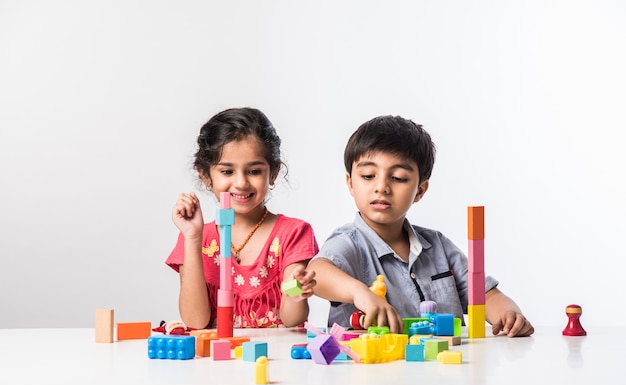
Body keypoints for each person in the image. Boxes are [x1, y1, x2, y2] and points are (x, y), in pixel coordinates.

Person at [309, 115, 534, 337]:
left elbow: (484, 295)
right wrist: (359, 293)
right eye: (368, 175)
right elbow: (316, 273)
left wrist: (509, 314)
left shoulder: (438, 246)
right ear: (350, 183)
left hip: (445, 367)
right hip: (377, 367)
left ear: (420, 190)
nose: (382, 187)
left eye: (398, 178)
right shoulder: (349, 242)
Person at [166, 107, 318, 330]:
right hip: (217, 361)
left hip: (273, 359)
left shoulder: (293, 233)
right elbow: (195, 321)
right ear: (205, 175)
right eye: (227, 172)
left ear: (273, 173)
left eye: (254, 171)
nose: (241, 183)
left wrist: (296, 293)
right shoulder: (197, 237)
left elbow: (291, 319)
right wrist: (192, 237)